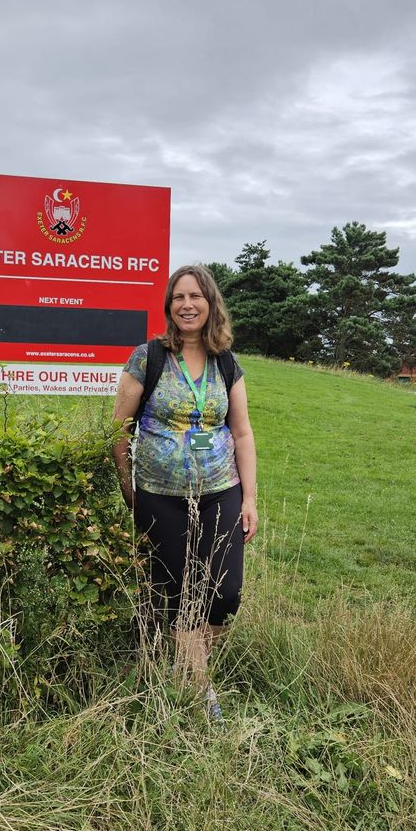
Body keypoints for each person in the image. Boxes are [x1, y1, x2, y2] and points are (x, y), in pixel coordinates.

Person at [111, 264, 258, 721]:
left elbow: (242, 433)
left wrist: (249, 498)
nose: (187, 305)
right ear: (169, 307)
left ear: (211, 304)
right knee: (180, 594)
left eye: (196, 296)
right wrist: (127, 484)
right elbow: (118, 427)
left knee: (226, 592)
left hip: (220, 490)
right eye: (178, 297)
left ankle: (189, 663)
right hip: (159, 493)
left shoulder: (227, 362)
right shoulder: (147, 357)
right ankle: (200, 690)